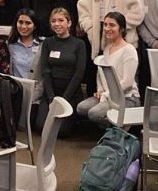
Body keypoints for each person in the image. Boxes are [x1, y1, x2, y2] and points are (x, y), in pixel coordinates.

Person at [77, 0, 145, 96]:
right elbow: (83, 10)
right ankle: (97, 112)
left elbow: (137, 12)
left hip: (122, 37)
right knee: (96, 77)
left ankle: (121, 111)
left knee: (122, 77)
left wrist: (120, 27)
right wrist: (90, 27)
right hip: (98, 34)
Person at [77, 12, 140, 126]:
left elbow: (127, 82)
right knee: (82, 108)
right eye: (105, 25)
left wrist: (106, 94)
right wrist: (100, 90)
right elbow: (100, 74)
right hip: (108, 95)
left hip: (127, 98)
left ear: (121, 28)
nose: (107, 28)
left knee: (94, 114)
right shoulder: (106, 49)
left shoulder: (129, 50)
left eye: (112, 25)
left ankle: (123, 128)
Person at [35, 8, 86, 136]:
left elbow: (78, 74)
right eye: (53, 21)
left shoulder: (79, 44)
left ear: (69, 23)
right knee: (41, 127)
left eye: (60, 20)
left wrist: (64, 100)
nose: (56, 24)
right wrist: (52, 98)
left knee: (62, 131)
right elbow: (45, 71)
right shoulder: (47, 43)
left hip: (70, 93)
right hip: (51, 92)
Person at [8, 8, 40, 79]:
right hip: (16, 87)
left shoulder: (42, 44)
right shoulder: (10, 45)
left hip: (37, 88)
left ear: (34, 26)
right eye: (20, 22)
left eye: (28, 23)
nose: (23, 26)